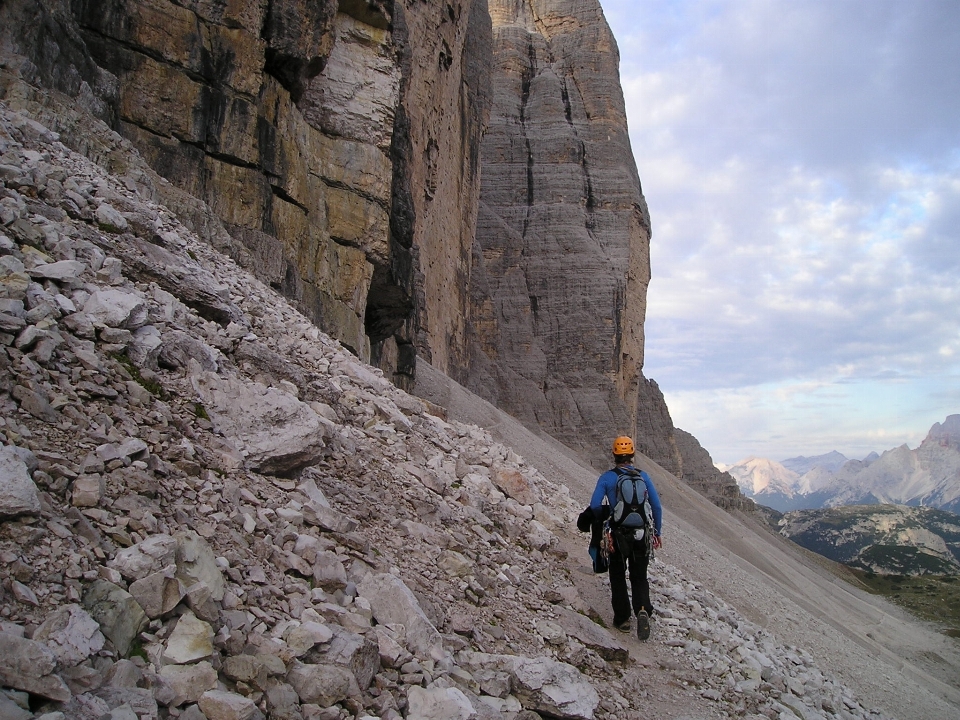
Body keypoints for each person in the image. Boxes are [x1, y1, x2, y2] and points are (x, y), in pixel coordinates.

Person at [589, 435, 662, 640]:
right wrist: (657, 533)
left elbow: (595, 504)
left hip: (617, 534)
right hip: (641, 534)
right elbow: (656, 506)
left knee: (618, 575)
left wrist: (605, 517)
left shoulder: (607, 478)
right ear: (632, 454)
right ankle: (642, 608)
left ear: (614, 454)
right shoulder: (643, 477)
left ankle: (622, 619)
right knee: (639, 575)